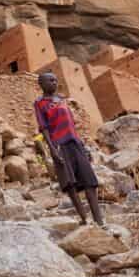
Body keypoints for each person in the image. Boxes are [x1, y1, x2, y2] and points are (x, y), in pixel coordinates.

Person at [34, 71, 104, 226]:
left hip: (75, 143)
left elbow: (72, 124)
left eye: (56, 80)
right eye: (50, 80)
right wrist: (52, 149)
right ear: (41, 84)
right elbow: (44, 127)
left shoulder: (61, 100)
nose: (54, 82)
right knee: (70, 184)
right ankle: (85, 219)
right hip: (59, 144)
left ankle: (99, 221)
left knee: (90, 181)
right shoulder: (39, 103)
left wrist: (83, 145)